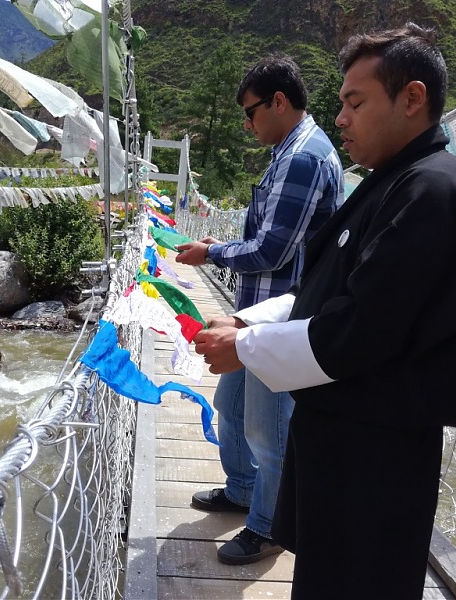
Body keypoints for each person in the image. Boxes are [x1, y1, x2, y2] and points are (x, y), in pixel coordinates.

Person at [193, 23, 456, 599]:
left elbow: (362, 327)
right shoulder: (394, 181)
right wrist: (249, 322)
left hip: (376, 460)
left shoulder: (431, 192)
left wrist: (246, 346)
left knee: (357, 582)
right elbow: (326, 290)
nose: (341, 119)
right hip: (350, 448)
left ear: (412, 99)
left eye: (355, 103)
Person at [175, 54, 344, 565]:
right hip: (255, 316)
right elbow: (265, 239)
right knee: (233, 408)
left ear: (278, 101)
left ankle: (269, 527)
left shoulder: (304, 156)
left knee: (269, 433)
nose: (247, 124)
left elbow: (273, 251)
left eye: (250, 112)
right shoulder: (288, 150)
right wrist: (223, 248)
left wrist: (213, 252)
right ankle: (244, 490)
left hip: (280, 323)